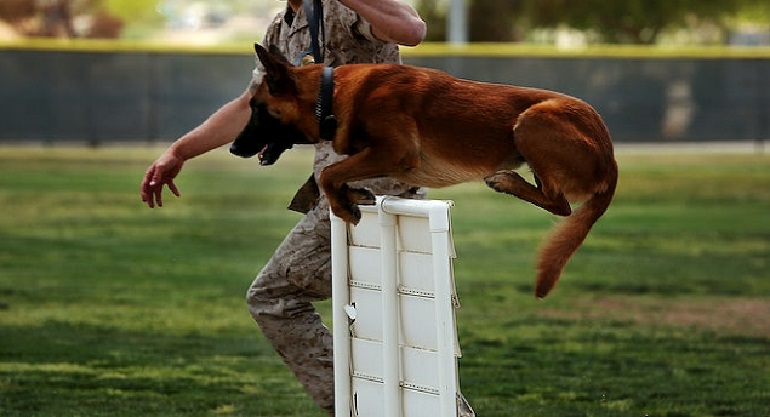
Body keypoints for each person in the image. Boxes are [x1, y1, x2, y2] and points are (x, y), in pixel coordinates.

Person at [140, 1, 475, 415]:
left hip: (373, 193)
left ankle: (356, 406)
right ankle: (369, 404)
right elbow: (252, 104)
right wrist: (180, 151)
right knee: (394, 321)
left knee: (277, 298)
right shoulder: (283, 28)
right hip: (346, 196)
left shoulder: (342, 8)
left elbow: (411, 30)